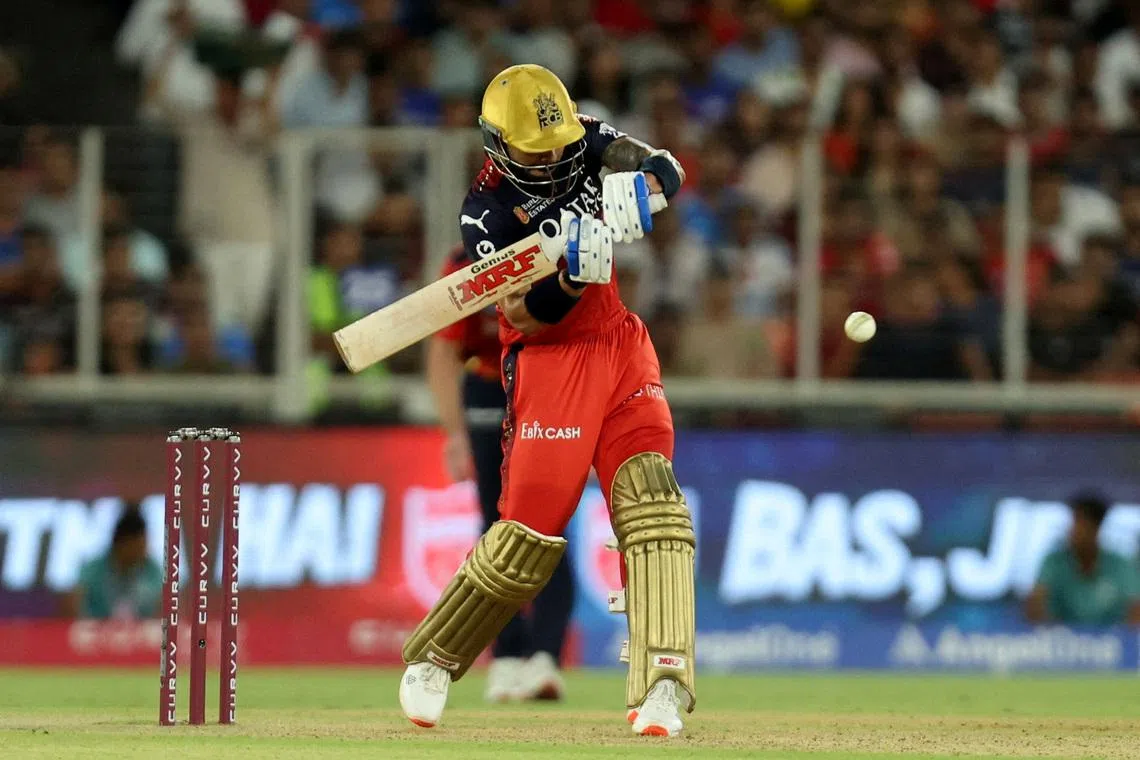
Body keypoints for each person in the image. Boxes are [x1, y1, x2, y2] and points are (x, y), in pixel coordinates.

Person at [399, 64, 695, 738]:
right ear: (499, 148)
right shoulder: (488, 213)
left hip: (619, 346)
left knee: (654, 510)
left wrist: (646, 192)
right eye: (536, 152)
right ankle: (436, 658)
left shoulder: (578, 141)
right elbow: (526, 316)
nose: (554, 160)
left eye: (558, 145)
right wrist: (570, 273)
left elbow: (660, 165)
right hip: (549, 362)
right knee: (527, 539)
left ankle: (663, 686)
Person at [424, 244, 575, 703]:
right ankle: (508, 658)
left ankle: (544, 659)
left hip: (548, 386)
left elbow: (586, 341)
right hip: (490, 387)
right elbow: (443, 353)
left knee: (548, 527)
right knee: (496, 525)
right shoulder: (464, 263)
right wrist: (454, 434)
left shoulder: (560, 247)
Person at [1025, 492, 1140, 627]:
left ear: (1095, 528)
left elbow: (1136, 609)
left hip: (1111, 643)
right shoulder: (1054, 561)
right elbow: (1035, 606)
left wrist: (1124, 639)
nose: (1071, 530)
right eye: (1072, 522)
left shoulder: (1120, 565)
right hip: (1060, 641)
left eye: (1079, 523)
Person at [64, 506, 163, 619]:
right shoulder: (93, 569)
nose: (144, 551)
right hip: (98, 632)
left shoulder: (153, 570)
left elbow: (165, 606)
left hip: (142, 634)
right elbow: (75, 600)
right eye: (139, 546)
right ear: (123, 544)